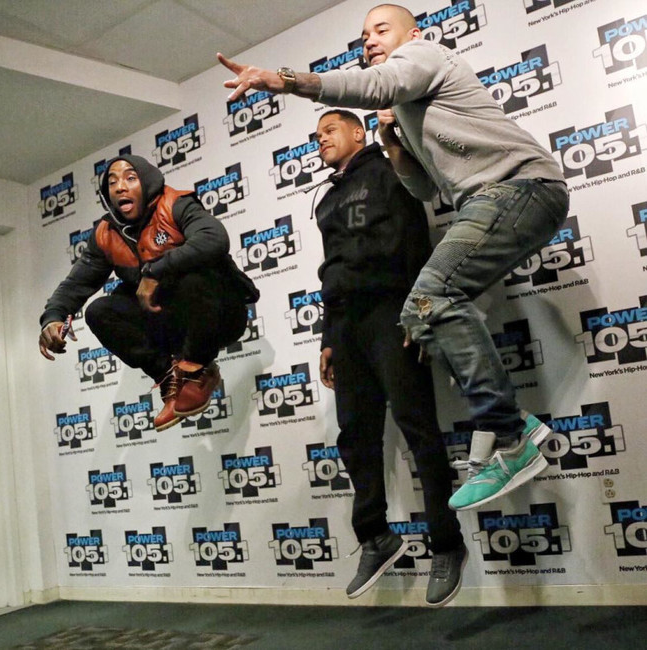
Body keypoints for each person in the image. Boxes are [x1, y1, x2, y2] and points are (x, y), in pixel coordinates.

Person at [217, 2, 566, 511]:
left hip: (519, 186)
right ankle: (509, 429)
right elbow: (425, 189)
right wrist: (392, 140)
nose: (369, 41)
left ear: (413, 34)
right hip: (494, 200)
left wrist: (285, 81)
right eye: (364, 36)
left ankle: (509, 437)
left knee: (432, 295)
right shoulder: (406, 107)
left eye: (380, 29)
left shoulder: (426, 56)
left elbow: (377, 84)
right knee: (422, 312)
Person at [313, 109, 465, 606]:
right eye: (316, 136)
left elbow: (414, 243)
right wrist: (328, 338)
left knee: (418, 427)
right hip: (347, 326)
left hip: (391, 312)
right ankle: (375, 536)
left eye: (329, 130)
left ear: (358, 132)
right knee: (355, 436)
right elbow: (333, 270)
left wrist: (417, 313)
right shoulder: (327, 199)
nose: (321, 140)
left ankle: (447, 543)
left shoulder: (388, 170)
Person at [39, 154, 259, 431]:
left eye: (130, 178)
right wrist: (53, 317)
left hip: (220, 315)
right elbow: (76, 284)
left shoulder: (175, 204)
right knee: (99, 311)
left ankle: (197, 368)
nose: (120, 187)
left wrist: (154, 272)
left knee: (191, 273)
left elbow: (214, 238)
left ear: (147, 183)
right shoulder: (105, 234)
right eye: (112, 182)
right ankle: (170, 378)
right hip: (169, 323)